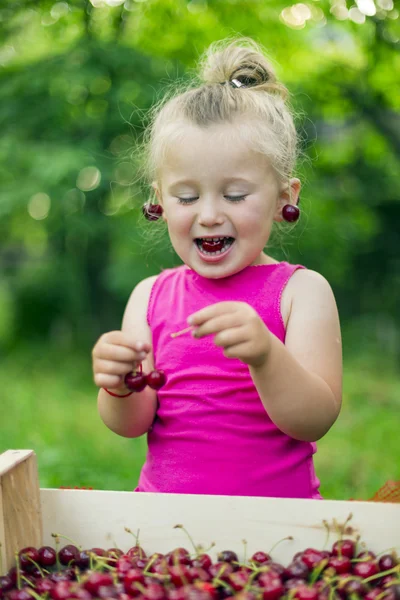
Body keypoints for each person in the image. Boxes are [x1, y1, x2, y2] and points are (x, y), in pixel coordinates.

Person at [92, 38, 342, 499]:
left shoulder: (300, 293)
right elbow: (131, 425)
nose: (208, 214)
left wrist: (267, 356)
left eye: (234, 194)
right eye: (187, 197)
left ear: (285, 197)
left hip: (281, 537)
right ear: (160, 201)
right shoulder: (149, 297)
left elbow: (315, 419)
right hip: (167, 533)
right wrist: (119, 386)